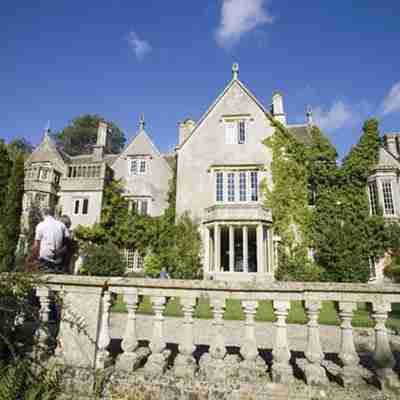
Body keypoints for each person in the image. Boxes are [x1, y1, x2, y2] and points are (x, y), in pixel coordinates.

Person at [32, 208, 70, 274]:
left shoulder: (40, 225)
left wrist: (34, 258)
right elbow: (67, 243)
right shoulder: (62, 225)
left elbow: (36, 245)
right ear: (53, 214)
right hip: (58, 259)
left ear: (43, 214)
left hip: (44, 259)